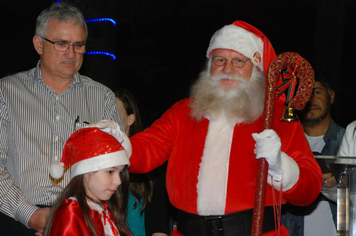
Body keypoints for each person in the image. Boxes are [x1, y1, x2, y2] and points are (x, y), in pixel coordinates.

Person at [99, 21, 322, 235]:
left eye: (238, 61)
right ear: (209, 65)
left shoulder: (276, 117)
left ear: (255, 68)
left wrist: (281, 167)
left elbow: (310, 189)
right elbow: (147, 149)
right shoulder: (184, 111)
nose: (227, 69)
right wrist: (117, 143)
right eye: (219, 60)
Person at [0, 3, 122, 235]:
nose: (71, 53)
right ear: (38, 44)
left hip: (84, 222)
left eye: (79, 45)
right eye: (61, 44)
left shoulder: (102, 97)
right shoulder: (6, 93)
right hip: (15, 220)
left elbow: (113, 168)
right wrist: (30, 214)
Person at [281, 76, 345, 236]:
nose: (310, 99)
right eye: (304, 94)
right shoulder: (284, 144)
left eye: (316, 92)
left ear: (331, 97)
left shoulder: (349, 140)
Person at [44, 123, 131, 236]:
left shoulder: (106, 211)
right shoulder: (71, 213)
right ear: (85, 172)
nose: (118, 181)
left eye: (120, 173)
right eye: (110, 172)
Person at [115, 88, 169, 236]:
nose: (109, 118)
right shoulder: (97, 162)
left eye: (115, 113)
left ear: (130, 119)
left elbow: (159, 218)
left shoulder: (149, 158)